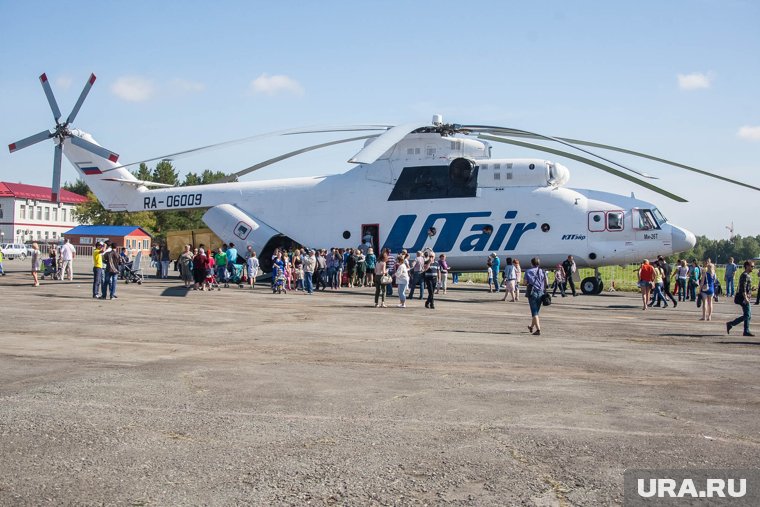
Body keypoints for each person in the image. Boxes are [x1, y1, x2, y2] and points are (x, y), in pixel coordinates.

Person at [727, 260, 755, 337]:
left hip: (746, 297)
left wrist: (751, 289)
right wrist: (745, 298)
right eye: (752, 266)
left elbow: (745, 287)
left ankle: (746, 330)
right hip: (743, 298)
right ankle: (731, 324)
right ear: (747, 266)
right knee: (747, 315)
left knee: (748, 315)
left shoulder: (747, 275)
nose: (753, 268)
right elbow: (742, 288)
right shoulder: (745, 275)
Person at [524, 257, 548, 336]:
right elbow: (546, 282)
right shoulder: (542, 271)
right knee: (536, 312)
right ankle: (531, 327)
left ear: (532, 263)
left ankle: (538, 329)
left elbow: (525, 282)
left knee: (534, 313)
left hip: (532, 292)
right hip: (541, 293)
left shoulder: (528, 271)